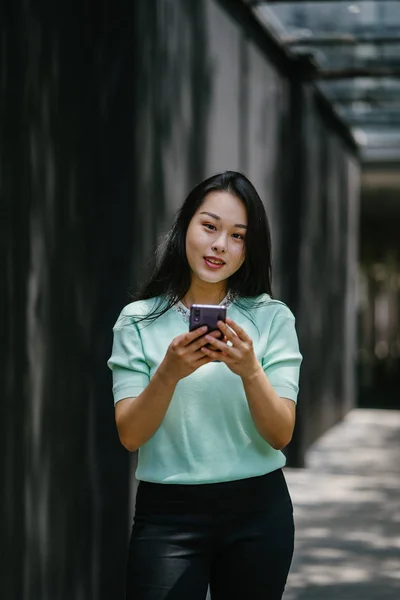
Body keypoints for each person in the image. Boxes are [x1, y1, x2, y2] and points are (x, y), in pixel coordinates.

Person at [107, 171, 302, 600]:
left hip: (258, 510)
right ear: (185, 227)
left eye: (237, 235)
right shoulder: (138, 320)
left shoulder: (272, 319)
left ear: (250, 248)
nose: (220, 245)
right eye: (210, 226)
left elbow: (280, 433)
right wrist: (169, 373)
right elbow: (130, 434)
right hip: (168, 515)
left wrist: (251, 371)